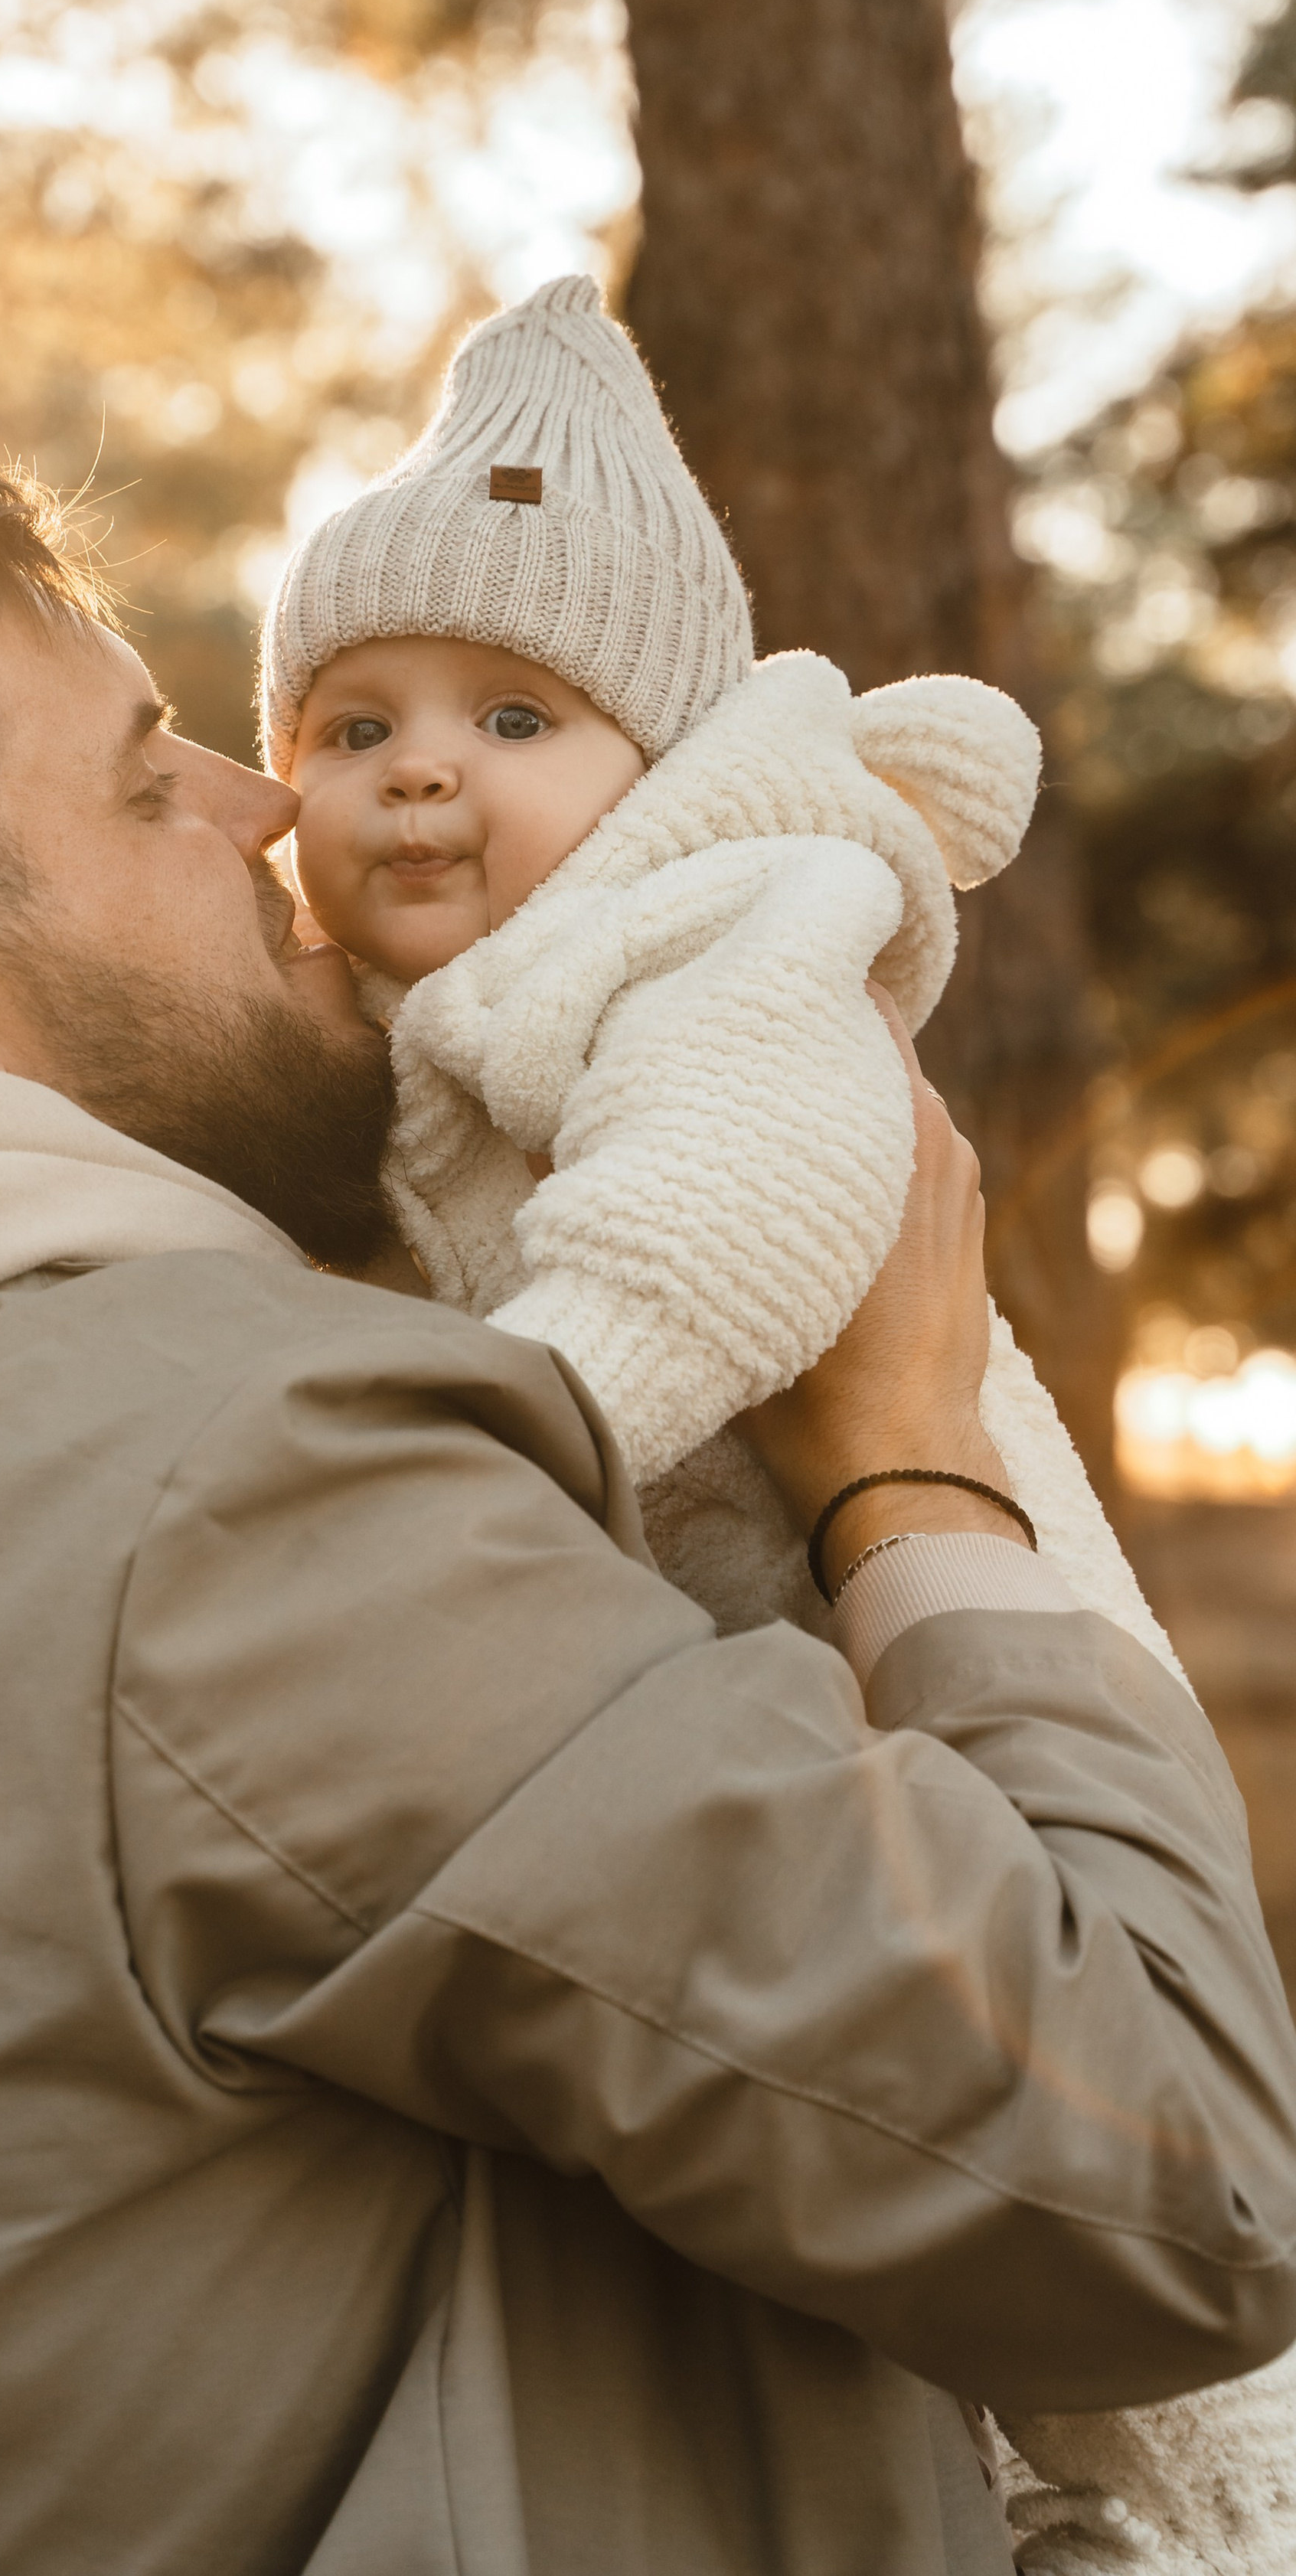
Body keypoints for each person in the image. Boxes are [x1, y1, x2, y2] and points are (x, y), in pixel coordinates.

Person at [0, 413, 1296, 2576]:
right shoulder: (220, 1491)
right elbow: (1174, 2174)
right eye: (141, 775)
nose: (266, 803)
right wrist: (913, 1465)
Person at [263, 273, 1296, 2560]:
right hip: (775, 1705)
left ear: (654, 759)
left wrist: (503, 1438)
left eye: (513, 708)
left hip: (962, 1643)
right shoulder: (424, 1036)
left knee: (1112, 2219)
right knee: (918, 2203)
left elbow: (758, 1192)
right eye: (351, 724)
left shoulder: (738, 914)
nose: (419, 765)